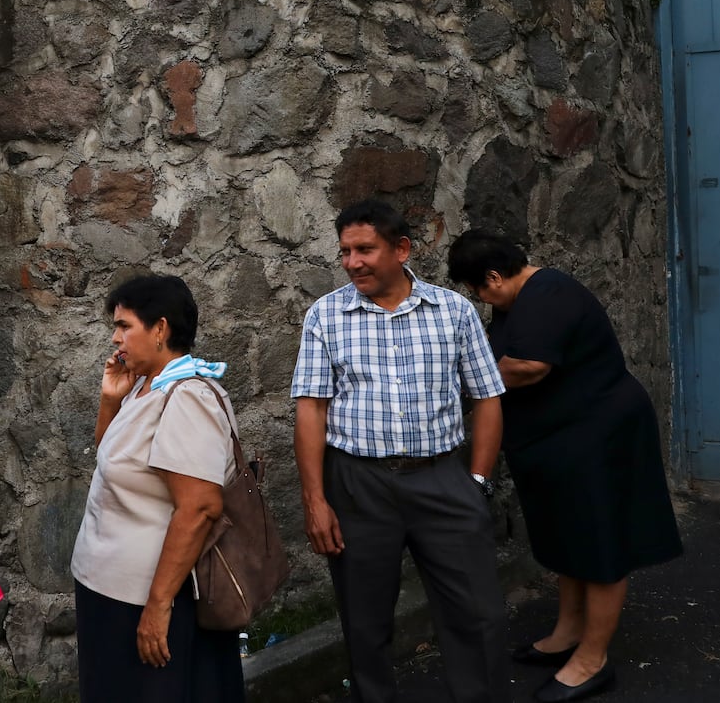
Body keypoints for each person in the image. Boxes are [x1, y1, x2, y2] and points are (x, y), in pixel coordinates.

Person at [447, 231, 682, 703]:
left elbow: (530, 365)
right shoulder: (515, 301)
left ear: (494, 276)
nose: (480, 299)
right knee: (566, 535)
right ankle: (568, 632)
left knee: (599, 543)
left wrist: (463, 380)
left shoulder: (549, 294)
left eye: (479, 289)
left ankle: (592, 660)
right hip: (556, 440)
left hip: (597, 435)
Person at [292, 200, 511, 703]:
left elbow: (487, 396)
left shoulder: (453, 311)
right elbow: (311, 410)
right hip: (358, 486)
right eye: (345, 251)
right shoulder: (326, 315)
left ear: (402, 249)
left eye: (365, 249)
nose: (353, 262)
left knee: (478, 615)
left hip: (442, 479)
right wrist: (315, 500)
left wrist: (477, 481)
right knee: (365, 624)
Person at [72, 274, 246, 703]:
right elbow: (115, 461)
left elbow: (200, 507)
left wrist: (158, 606)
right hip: (110, 590)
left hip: (146, 596)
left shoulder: (188, 399)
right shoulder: (146, 386)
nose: (115, 338)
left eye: (124, 326)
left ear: (161, 329)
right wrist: (111, 400)